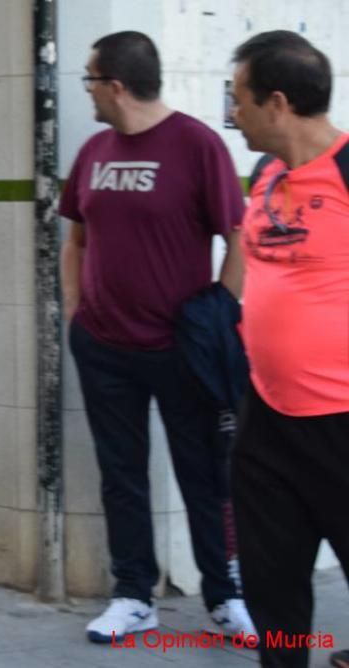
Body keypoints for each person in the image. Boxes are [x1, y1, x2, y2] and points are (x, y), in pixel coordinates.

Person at [59, 30, 255, 643]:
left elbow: (238, 237)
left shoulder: (197, 145)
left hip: (180, 350)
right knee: (121, 474)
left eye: (90, 79)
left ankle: (224, 598)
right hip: (104, 346)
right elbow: (76, 239)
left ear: (115, 85)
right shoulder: (93, 150)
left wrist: (217, 318)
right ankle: (132, 594)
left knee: (203, 475)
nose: (86, 90)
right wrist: (74, 309)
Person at [228, 30, 349, 668]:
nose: (232, 114)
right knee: (273, 589)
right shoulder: (264, 173)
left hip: (343, 423)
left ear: (276, 102)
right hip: (267, 421)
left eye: (239, 99)